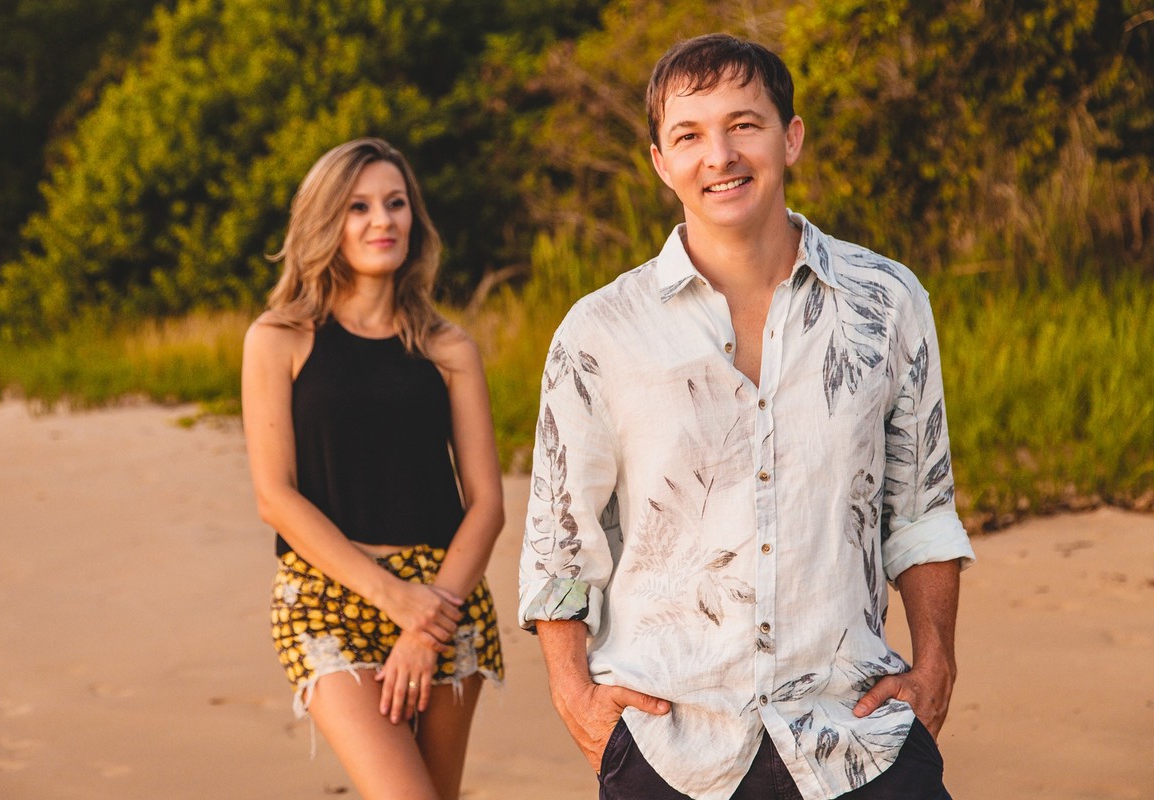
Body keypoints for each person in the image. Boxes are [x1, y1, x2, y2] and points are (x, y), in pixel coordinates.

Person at [518, 34, 976, 800]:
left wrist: (935, 664)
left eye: (745, 125)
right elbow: (559, 540)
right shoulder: (600, 330)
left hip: (856, 733)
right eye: (689, 135)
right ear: (661, 161)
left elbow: (922, 507)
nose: (719, 155)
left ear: (790, 138)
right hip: (670, 742)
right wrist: (576, 696)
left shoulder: (887, 301)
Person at [242, 137, 505, 800]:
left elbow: (487, 505)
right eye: (358, 207)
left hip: (447, 595)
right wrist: (395, 601)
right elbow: (275, 498)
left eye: (395, 203)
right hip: (327, 595)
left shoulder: (449, 348)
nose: (382, 220)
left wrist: (428, 621)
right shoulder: (279, 339)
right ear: (325, 222)